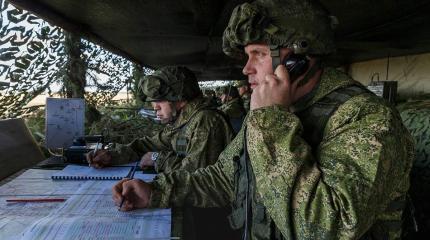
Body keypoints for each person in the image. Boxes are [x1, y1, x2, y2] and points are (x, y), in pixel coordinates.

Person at [112, 1, 414, 239]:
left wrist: (270, 121)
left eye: (257, 54)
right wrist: (157, 191)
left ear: (298, 57)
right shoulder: (273, 109)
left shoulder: (365, 117)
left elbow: (327, 228)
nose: (246, 69)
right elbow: (225, 177)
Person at [88, 66, 237, 239]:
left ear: (179, 98)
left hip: (210, 220)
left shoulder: (206, 121)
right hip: (192, 209)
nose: (154, 106)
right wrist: (112, 156)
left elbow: (193, 175)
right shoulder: (181, 120)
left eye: (160, 100)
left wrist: (158, 158)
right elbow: (148, 144)